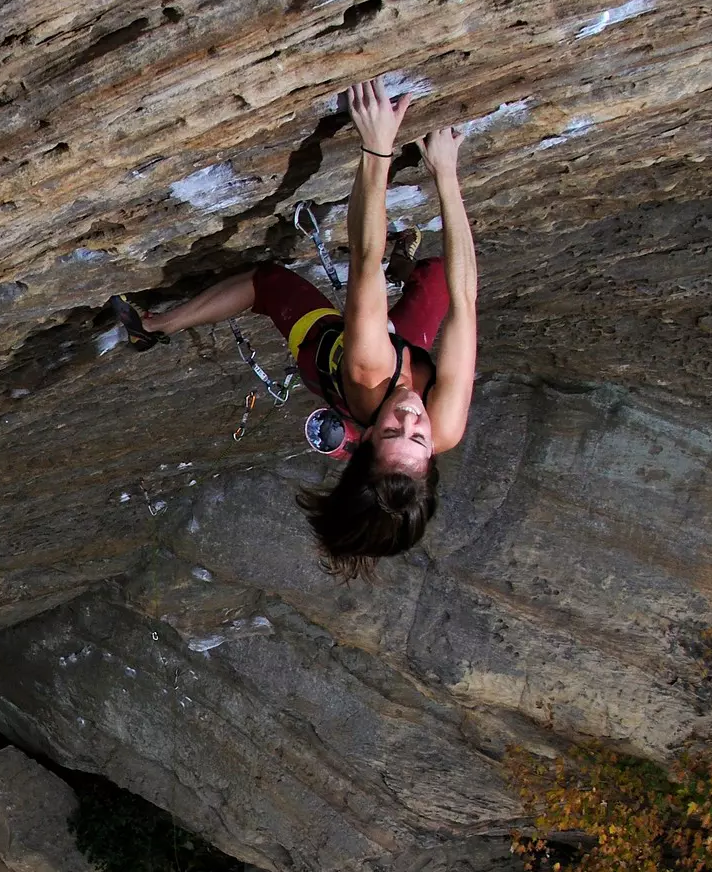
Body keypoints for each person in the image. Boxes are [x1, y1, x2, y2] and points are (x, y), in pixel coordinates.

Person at [108, 78, 478, 579]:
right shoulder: (445, 425)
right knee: (436, 277)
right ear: (432, 454)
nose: (412, 416)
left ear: (368, 437)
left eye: (393, 429)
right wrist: (446, 175)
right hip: (402, 346)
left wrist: (376, 145)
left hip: (330, 351)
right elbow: (465, 300)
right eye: (416, 437)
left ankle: (156, 326)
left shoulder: (367, 372)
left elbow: (365, 262)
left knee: (268, 283)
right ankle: (405, 276)